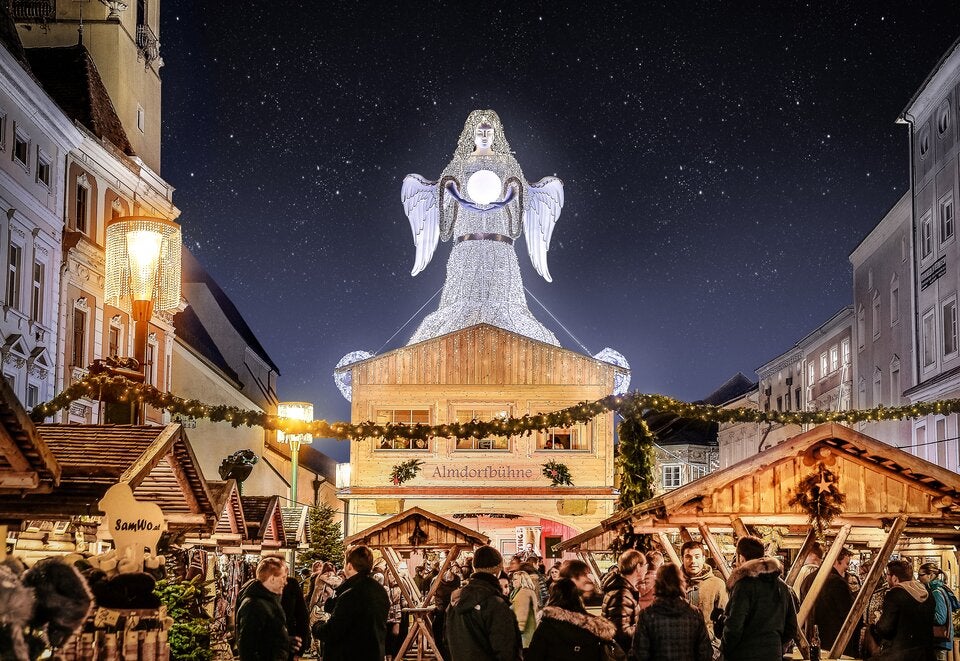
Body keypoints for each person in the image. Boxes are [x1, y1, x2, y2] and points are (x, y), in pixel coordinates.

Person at [402, 110, 565, 346]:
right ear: (472, 133)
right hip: (467, 231)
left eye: (489, 130)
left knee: (503, 295)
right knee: (462, 295)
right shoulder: (461, 162)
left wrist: (505, 201)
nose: (485, 135)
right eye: (480, 131)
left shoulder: (507, 162)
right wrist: (461, 199)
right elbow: (447, 183)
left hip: (499, 234)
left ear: (496, 133)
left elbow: (519, 188)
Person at [721, 535, 797, 661]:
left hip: (744, 655)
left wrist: (725, 649)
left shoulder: (743, 585)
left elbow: (734, 627)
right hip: (773, 655)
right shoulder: (783, 587)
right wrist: (775, 646)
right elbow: (792, 628)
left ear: (741, 558)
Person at [312, 546, 390, 661]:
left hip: (349, 654)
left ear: (349, 566)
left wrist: (317, 626)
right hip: (373, 653)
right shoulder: (379, 590)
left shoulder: (351, 593)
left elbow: (333, 631)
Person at [446, 545, 522, 661]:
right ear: (498, 569)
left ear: (474, 567)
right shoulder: (495, 604)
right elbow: (506, 650)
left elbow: (446, 641)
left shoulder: (454, 602)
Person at [633, 564, 712, 661]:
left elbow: (640, 654)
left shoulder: (647, 615)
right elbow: (705, 653)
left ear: (657, 584)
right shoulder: (695, 614)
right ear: (681, 582)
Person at [527, 578, 619, 661]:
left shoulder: (547, 625)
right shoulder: (595, 627)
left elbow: (534, 656)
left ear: (553, 597)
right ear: (577, 596)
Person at [870, 559, 935, 660]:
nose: (886, 578)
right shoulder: (928, 593)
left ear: (894, 578)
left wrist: (877, 622)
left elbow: (885, 629)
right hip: (926, 654)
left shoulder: (895, 594)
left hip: (901, 655)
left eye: (887, 575)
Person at [800, 546, 859, 656]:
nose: (847, 568)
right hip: (834, 643)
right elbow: (849, 614)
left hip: (812, 641)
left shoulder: (808, 580)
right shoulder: (837, 582)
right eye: (846, 563)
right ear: (836, 560)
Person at [236, 556, 292, 661]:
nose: (285, 582)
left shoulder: (267, 601)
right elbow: (248, 646)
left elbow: (266, 636)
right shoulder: (254, 605)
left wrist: (285, 641)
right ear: (272, 579)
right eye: (283, 577)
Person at [680, 541, 727, 641]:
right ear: (682, 559)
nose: (693, 561)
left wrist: (715, 640)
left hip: (707, 643)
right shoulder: (672, 583)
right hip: (679, 643)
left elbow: (725, 618)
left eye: (697, 557)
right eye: (688, 557)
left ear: (703, 558)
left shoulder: (717, 584)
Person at [601, 549, 647, 651]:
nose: (646, 569)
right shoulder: (622, 595)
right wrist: (644, 628)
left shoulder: (622, 590)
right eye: (645, 565)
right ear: (638, 567)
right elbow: (621, 633)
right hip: (623, 653)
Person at [920, 562, 953, 661]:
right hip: (938, 641)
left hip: (938, 641)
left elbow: (940, 619)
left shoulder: (936, 592)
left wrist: (922, 613)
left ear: (930, 575)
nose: (918, 578)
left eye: (921, 575)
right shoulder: (937, 589)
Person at [280, 570, 311, 660]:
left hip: (289, 642)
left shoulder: (291, 584)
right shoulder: (255, 589)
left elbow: (302, 617)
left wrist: (300, 649)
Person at [510, 570, 540, 649]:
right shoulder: (524, 591)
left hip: (524, 638)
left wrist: (517, 631)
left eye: (515, 579)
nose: (513, 581)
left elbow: (521, 616)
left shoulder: (524, 593)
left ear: (522, 580)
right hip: (529, 634)